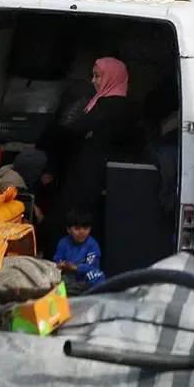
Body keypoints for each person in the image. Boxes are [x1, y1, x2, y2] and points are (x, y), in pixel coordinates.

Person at [45, 57, 139, 236]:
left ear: (112, 77)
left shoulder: (108, 107)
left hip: (90, 177)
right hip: (104, 178)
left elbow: (77, 132)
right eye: (93, 76)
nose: (93, 81)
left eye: (98, 76)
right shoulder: (106, 103)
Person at [54, 209, 107, 294]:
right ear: (68, 230)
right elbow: (57, 261)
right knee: (54, 279)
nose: (81, 232)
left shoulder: (92, 244)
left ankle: (90, 294)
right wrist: (61, 265)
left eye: (85, 228)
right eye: (77, 228)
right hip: (68, 277)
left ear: (90, 229)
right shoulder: (63, 243)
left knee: (98, 275)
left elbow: (92, 267)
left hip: (85, 278)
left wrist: (75, 267)